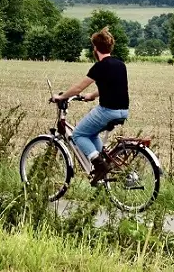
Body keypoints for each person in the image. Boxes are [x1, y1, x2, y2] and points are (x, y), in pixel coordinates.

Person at [52, 27, 129, 186]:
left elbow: (78, 88)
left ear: (95, 48)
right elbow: (109, 87)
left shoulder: (99, 67)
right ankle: (104, 161)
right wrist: (91, 96)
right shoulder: (120, 64)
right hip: (123, 111)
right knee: (91, 134)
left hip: (108, 111)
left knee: (79, 135)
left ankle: (100, 166)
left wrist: (61, 96)